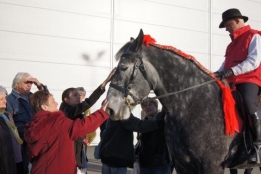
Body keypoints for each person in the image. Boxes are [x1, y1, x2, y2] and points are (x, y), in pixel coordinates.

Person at [23, 87, 109, 174]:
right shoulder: (56, 122)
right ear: (44, 107)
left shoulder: (33, 125)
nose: (56, 103)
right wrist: (101, 113)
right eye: (53, 101)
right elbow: (81, 127)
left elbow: (31, 155)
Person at [215, 8, 261, 163]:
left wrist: (230, 71)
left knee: (248, 102)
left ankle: (258, 145)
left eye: (227, 25)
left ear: (236, 20)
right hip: (231, 82)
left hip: (250, 80)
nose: (226, 29)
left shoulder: (254, 36)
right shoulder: (231, 45)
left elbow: (253, 61)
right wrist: (213, 74)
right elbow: (224, 65)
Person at [59, 68, 116, 173]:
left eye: (79, 95)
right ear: (66, 99)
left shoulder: (71, 110)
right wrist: (105, 82)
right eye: (75, 95)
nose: (79, 97)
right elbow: (88, 103)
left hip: (78, 149)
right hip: (72, 153)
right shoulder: (67, 111)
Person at [99, 100, 165, 174]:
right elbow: (139, 125)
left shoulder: (109, 116)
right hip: (117, 159)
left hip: (107, 157)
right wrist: (161, 123)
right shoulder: (123, 114)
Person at [6, 72, 45, 173]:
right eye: (26, 82)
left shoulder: (32, 97)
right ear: (17, 84)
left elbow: (47, 99)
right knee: (23, 169)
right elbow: (9, 125)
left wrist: (39, 85)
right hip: (23, 144)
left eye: (31, 83)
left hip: (37, 141)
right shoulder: (9, 101)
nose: (30, 85)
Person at [137, 99, 171, 174]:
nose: (147, 107)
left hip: (161, 164)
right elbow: (140, 143)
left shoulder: (161, 118)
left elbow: (166, 108)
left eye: (150, 105)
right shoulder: (142, 123)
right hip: (145, 164)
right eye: (145, 106)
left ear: (156, 106)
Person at [0, 86, 24, 174]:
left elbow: (14, 138)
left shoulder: (6, 115)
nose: (5, 101)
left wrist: (18, 159)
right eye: (2, 98)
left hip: (14, 159)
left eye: (5, 98)